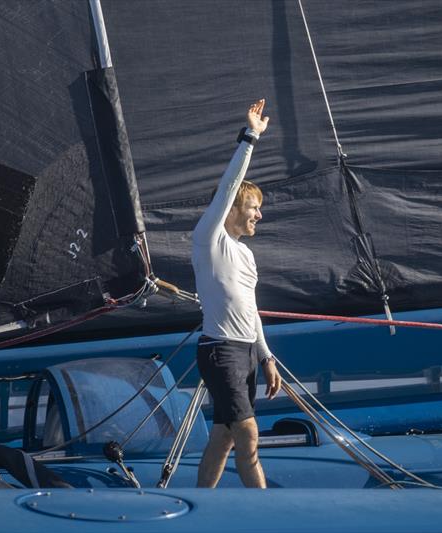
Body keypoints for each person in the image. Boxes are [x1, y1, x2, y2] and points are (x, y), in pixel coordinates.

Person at [192, 99, 282, 488]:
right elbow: (229, 186)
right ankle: (264, 511)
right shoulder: (210, 239)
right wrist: (250, 138)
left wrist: (266, 357)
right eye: (253, 207)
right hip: (220, 350)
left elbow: (251, 309)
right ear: (230, 210)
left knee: (224, 436)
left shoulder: (246, 255)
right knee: (248, 434)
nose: (259, 214)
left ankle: (201, 503)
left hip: (246, 351)